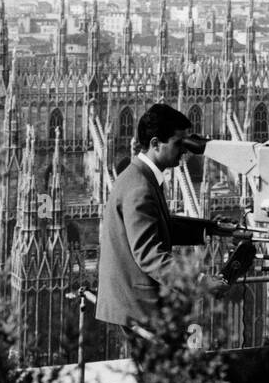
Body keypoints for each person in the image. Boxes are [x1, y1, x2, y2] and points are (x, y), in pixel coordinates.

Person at [96, 102, 231, 347]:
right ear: (156, 143)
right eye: (179, 143)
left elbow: (158, 223)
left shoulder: (142, 176)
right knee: (165, 374)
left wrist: (210, 228)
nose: (185, 151)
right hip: (139, 305)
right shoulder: (139, 187)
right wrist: (199, 280)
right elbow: (149, 255)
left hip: (137, 300)